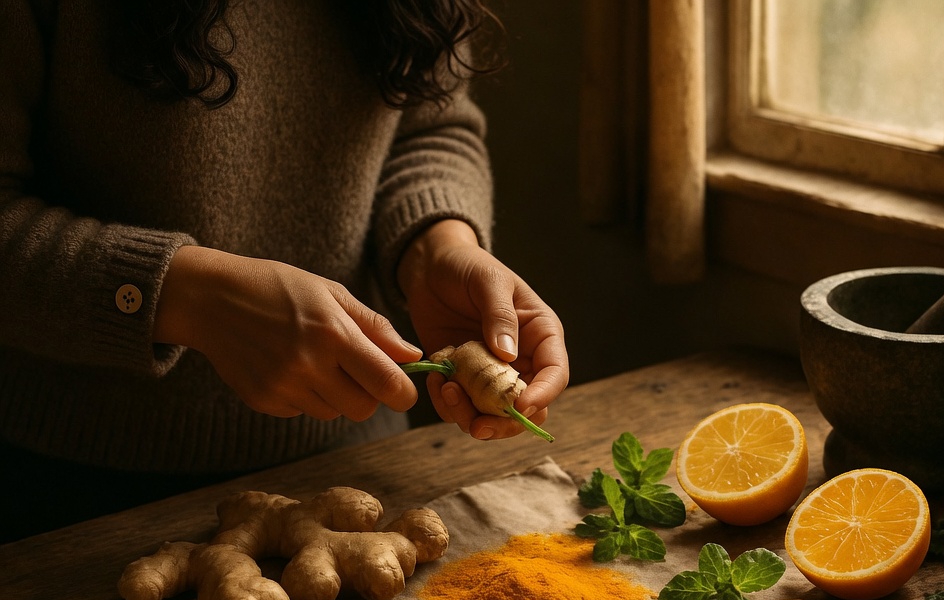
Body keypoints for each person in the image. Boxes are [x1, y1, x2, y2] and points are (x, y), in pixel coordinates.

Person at [0, 0, 569, 543]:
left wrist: (435, 246)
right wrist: (190, 298)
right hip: (69, 503)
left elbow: (429, 127)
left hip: (360, 475)